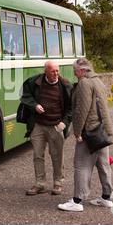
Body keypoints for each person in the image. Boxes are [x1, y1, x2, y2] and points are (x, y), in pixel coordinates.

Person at [58, 58, 113, 212]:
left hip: (89, 131)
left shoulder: (84, 83)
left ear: (82, 70)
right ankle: (106, 197)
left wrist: (78, 132)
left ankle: (77, 201)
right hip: (101, 130)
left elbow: (81, 110)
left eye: (75, 71)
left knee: (81, 165)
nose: (74, 74)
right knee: (104, 165)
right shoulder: (98, 81)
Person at [20, 61, 73, 196]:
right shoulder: (34, 82)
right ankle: (39, 184)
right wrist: (34, 105)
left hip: (56, 126)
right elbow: (25, 95)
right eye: (52, 72)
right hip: (38, 125)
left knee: (57, 156)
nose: (56, 74)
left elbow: (72, 107)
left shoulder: (66, 85)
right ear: (45, 72)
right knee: (37, 155)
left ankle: (58, 183)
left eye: (57, 71)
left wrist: (64, 122)